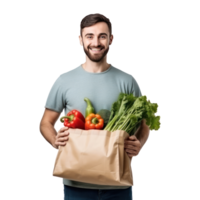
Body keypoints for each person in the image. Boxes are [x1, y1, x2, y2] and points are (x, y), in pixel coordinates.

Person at [38, 12, 150, 200]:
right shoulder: (63, 80)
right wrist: (54, 140)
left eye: (102, 36)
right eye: (89, 36)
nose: (96, 42)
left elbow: (144, 124)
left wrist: (139, 143)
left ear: (111, 39)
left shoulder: (128, 81)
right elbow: (45, 123)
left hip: (117, 182)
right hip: (75, 181)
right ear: (79, 40)